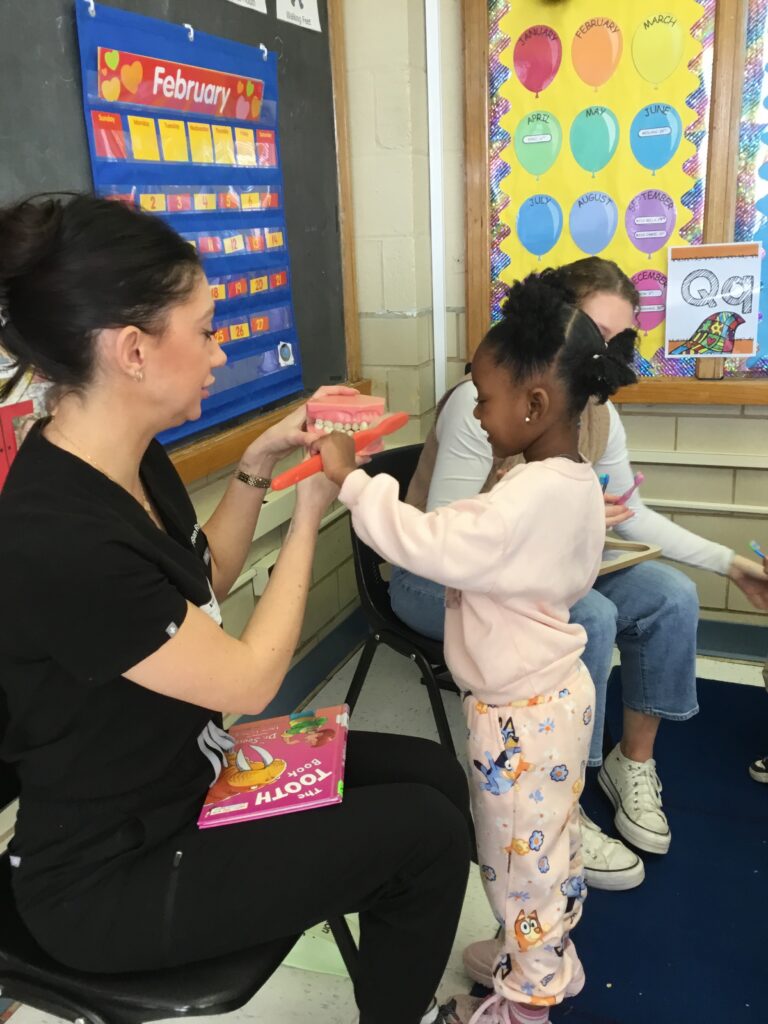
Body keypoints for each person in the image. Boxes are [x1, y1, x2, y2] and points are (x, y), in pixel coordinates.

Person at [0, 194, 472, 1024]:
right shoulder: (60, 535)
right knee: (424, 838)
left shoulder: (128, 459)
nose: (220, 353)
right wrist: (312, 508)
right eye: (207, 330)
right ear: (133, 350)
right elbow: (250, 680)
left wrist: (258, 461)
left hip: (188, 782)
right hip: (113, 878)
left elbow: (201, 582)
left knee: (436, 776)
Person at [389, 257, 768, 911]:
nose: (606, 354)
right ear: (555, 324)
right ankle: (559, 806)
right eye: (598, 333)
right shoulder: (485, 402)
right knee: (587, 616)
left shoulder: (595, 410)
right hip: (437, 579)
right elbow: (447, 542)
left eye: (620, 340)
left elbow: (632, 511)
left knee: (670, 596)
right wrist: (570, 517)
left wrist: (730, 563)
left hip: (535, 570)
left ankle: (631, 763)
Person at [316, 272, 638, 1024]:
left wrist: (353, 481)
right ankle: (547, 956)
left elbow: (431, 542)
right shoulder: (569, 479)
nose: (478, 414)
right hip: (553, 696)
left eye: (484, 399)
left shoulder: (528, 496)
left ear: (535, 405)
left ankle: (527, 1000)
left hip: (520, 715)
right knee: (547, 845)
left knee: (516, 862)